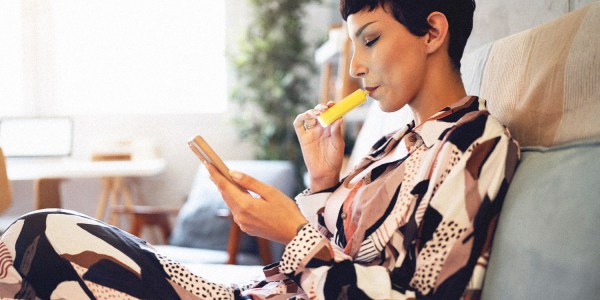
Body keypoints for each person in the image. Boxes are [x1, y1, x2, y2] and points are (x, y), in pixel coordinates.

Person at [0, 0, 519, 299]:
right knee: (41, 236)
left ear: (432, 31)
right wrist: (323, 182)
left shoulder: (474, 144)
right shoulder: (394, 144)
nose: (355, 66)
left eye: (370, 39)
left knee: (41, 238)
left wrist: (291, 231)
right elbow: (338, 246)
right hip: (257, 291)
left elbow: (417, 294)